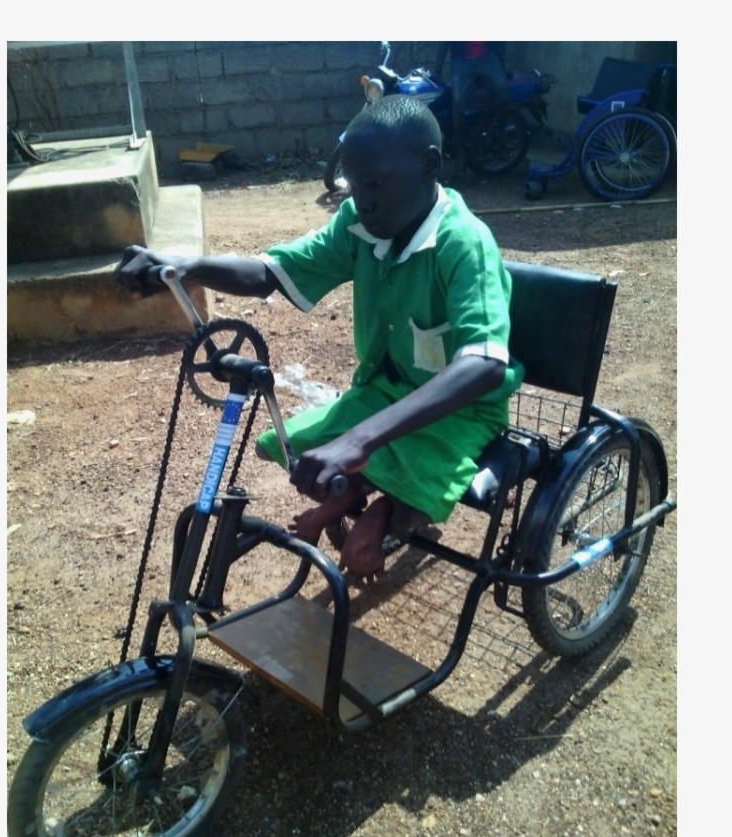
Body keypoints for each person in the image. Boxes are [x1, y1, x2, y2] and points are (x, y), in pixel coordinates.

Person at [115, 94, 523, 585]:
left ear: (430, 165)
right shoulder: (360, 224)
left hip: (460, 409)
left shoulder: (465, 245)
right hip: (383, 391)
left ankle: (382, 516)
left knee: (404, 459)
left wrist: (359, 438)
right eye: (354, 184)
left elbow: (483, 366)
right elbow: (274, 271)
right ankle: (360, 504)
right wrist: (189, 266)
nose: (362, 199)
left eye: (376, 184)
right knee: (301, 450)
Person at [434, 42, 508, 175]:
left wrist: (502, 65)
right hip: (462, 61)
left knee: (503, 90)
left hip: (487, 58)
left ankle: (500, 134)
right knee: (457, 102)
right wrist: (437, 69)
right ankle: (461, 151)